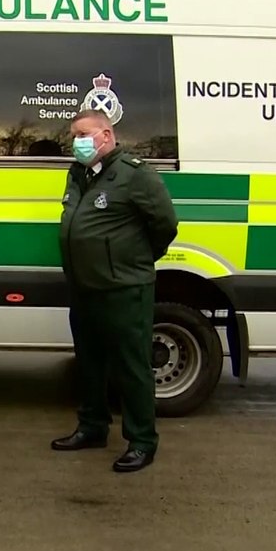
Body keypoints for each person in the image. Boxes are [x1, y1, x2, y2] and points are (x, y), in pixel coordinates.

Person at [52, 109, 178, 473]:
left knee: (131, 366)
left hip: (124, 287)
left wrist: (133, 260)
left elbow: (165, 224)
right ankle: (92, 426)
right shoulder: (78, 174)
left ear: (106, 135)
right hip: (84, 285)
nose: (76, 142)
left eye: (83, 134)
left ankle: (142, 441)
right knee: (89, 363)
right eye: (74, 136)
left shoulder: (135, 175)